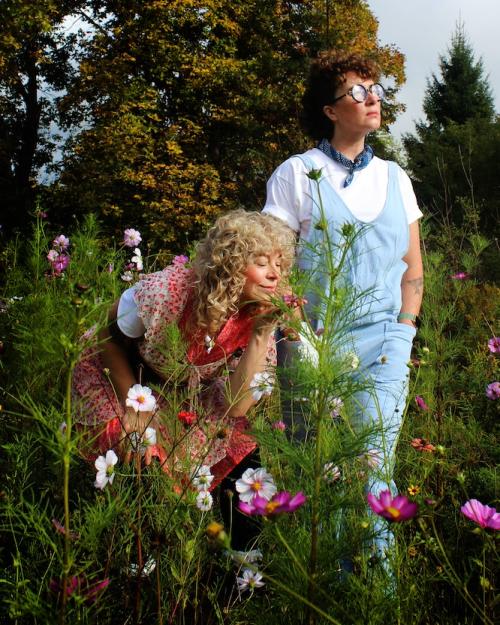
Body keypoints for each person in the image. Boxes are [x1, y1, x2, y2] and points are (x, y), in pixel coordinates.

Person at [263, 51, 424, 561]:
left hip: (383, 349)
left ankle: (380, 593)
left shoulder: (396, 177)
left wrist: (404, 333)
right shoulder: (297, 174)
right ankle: (326, 589)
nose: (371, 97)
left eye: (373, 87)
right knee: (321, 476)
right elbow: (273, 272)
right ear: (330, 111)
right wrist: (297, 337)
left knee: (373, 472)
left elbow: (413, 270)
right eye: (356, 91)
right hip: (313, 347)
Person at [72, 210, 295, 545]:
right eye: (262, 262)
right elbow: (109, 337)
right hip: (116, 371)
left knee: (242, 446)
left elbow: (237, 408)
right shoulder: (169, 292)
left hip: (181, 388)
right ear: (229, 264)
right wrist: (134, 405)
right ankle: (134, 554)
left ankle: (246, 558)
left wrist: (263, 334)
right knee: (138, 449)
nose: (274, 274)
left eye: (280, 264)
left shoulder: (256, 314)